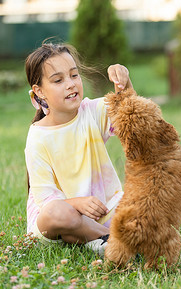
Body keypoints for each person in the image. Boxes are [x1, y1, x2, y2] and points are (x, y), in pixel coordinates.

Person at [24, 42, 133, 256]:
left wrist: (125, 82)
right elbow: (45, 199)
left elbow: (130, 116)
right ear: (39, 91)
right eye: (58, 80)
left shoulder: (91, 112)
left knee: (140, 207)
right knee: (58, 213)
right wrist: (77, 204)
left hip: (101, 208)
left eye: (74, 75)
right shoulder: (38, 137)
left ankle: (93, 240)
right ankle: (115, 242)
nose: (70, 84)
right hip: (56, 222)